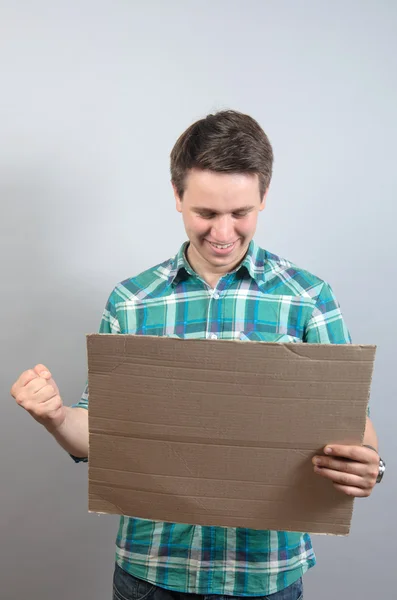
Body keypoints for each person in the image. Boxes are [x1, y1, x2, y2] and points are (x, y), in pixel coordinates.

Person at [11, 110, 384, 600]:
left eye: (241, 213)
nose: (223, 232)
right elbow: (95, 438)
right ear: (177, 195)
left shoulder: (307, 298)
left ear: (264, 198)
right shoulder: (132, 301)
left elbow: (354, 427)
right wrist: (55, 417)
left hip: (262, 575)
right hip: (153, 571)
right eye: (206, 213)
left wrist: (371, 466)